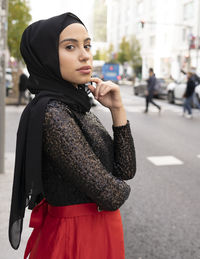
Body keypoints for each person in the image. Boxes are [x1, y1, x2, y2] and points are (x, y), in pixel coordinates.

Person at [8, 13, 136, 259]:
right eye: (70, 46)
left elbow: (125, 170)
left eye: (87, 45)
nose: (85, 54)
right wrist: (111, 182)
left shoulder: (76, 104)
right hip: (77, 240)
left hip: (95, 231)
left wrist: (118, 110)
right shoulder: (52, 112)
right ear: (45, 56)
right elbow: (112, 195)